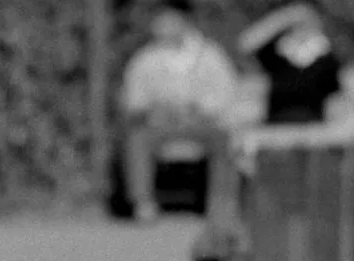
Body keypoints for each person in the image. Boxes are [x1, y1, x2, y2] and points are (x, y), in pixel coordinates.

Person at [119, 0, 240, 222]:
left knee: (223, 140)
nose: (163, 27)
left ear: (184, 22)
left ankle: (220, 204)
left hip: (201, 125)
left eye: (169, 21)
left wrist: (199, 109)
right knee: (138, 139)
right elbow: (134, 101)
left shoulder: (209, 55)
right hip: (161, 126)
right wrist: (155, 110)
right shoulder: (145, 59)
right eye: (160, 22)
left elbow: (225, 94)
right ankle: (143, 203)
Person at [238, 3, 342, 125]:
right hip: (271, 120)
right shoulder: (279, 51)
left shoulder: (328, 58)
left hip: (308, 125)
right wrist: (283, 18)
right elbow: (245, 43)